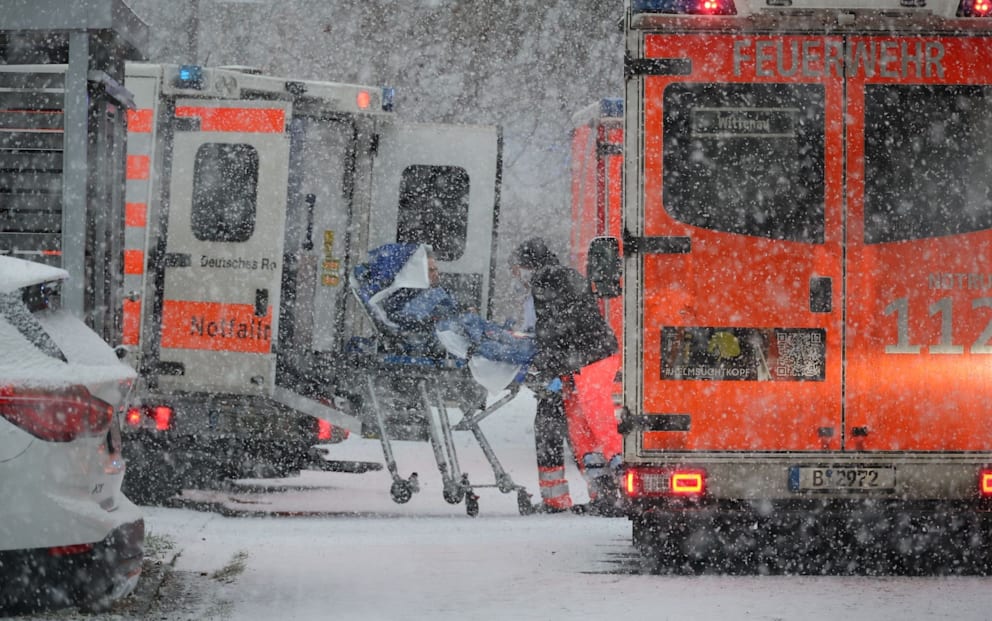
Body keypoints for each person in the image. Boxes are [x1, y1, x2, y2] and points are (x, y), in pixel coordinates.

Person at [509, 237, 624, 515]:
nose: (517, 275)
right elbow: (563, 325)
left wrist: (544, 361)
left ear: (528, 265)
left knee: (598, 428)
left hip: (587, 361)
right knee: (583, 431)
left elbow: (552, 329)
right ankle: (604, 495)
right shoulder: (561, 276)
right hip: (583, 361)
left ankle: (617, 487)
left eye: (518, 268)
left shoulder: (545, 280)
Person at [361, 242, 534, 367]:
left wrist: (462, 311)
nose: (437, 273)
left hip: (462, 332)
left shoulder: (430, 293)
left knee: (492, 334)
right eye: (431, 270)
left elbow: (447, 312)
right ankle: (526, 351)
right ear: (415, 273)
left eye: (436, 269)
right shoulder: (407, 303)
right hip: (448, 339)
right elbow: (423, 323)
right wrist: (457, 318)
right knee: (491, 341)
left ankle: (522, 345)